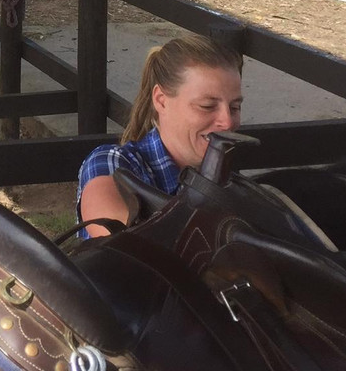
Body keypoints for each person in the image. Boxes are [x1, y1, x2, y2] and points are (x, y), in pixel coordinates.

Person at [77, 34, 244, 238]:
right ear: (161, 101)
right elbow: (126, 242)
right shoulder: (114, 163)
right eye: (207, 106)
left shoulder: (227, 182)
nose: (227, 122)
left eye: (235, 107)